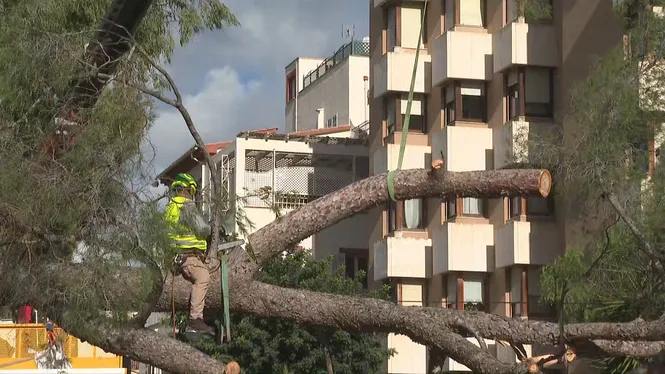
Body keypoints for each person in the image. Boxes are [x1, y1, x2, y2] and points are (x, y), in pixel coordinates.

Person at [164, 172, 215, 334]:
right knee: (203, 277)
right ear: (189, 189)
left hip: (176, 256)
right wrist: (211, 228)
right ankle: (195, 318)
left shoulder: (171, 207)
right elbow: (201, 228)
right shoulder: (186, 205)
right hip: (188, 257)